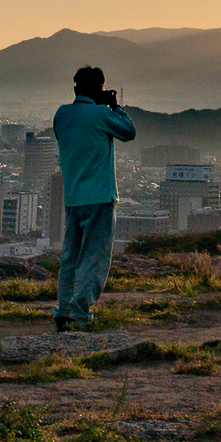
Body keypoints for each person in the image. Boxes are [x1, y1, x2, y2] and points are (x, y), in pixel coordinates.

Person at [51, 66, 137, 332]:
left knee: (71, 256)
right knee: (95, 256)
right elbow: (128, 132)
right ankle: (81, 310)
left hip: (73, 196)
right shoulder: (101, 114)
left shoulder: (61, 114)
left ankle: (63, 308)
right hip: (100, 195)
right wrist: (114, 107)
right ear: (100, 88)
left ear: (75, 87)